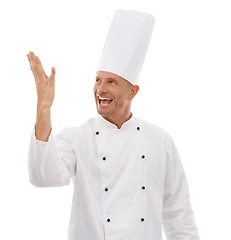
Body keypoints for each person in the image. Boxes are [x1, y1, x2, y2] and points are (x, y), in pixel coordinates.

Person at [27, 9, 200, 240]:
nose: (100, 89)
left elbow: (179, 215)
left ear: (133, 91)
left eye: (111, 82)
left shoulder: (159, 140)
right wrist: (44, 106)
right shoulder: (77, 138)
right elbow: (43, 176)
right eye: (97, 80)